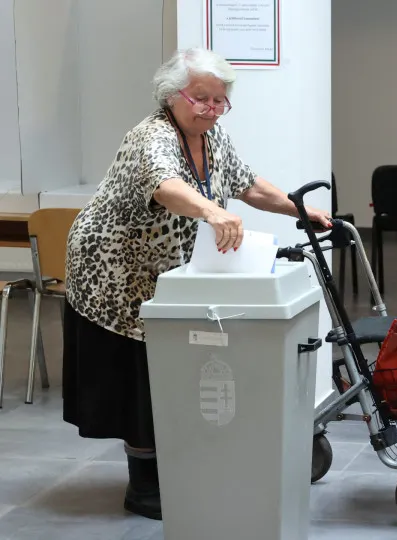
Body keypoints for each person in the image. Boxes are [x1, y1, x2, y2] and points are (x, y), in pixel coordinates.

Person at [62, 48, 332, 520]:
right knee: (140, 380)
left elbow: (248, 185)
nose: (211, 108)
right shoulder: (151, 137)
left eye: (219, 99)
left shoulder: (213, 136)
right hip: (114, 273)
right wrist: (212, 211)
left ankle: (178, 469)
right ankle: (145, 487)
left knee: (171, 370)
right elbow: (166, 185)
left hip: (162, 274)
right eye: (201, 98)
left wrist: (300, 209)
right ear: (172, 95)